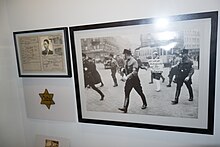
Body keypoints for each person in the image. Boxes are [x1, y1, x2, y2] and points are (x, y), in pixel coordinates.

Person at [118, 49, 147, 113]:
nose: (123, 56)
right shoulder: (126, 61)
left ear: (126, 54)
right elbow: (126, 69)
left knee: (140, 92)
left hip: (135, 80)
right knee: (126, 93)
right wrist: (122, 70)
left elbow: (134, 72)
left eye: (124, 55)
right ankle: (125, 108)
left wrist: (127, 77)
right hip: (129, 81)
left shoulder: (134, 61)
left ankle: (145, 103)